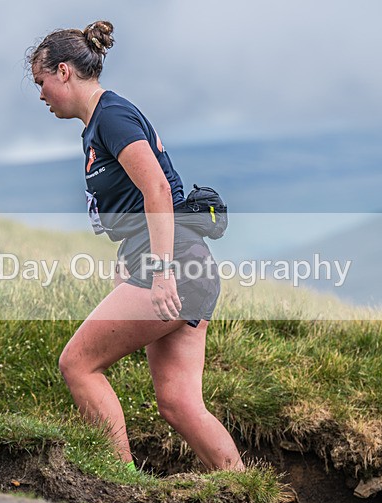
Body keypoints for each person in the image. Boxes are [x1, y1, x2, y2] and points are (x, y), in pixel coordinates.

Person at [27, 20, 244, 472]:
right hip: (189, 265)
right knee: (180, 404)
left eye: (41, 82)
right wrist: (130, 265)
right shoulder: (98, 124)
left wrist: (161, 272)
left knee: (78, 365)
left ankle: (123, 493)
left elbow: (159, 190)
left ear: (64, 71)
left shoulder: (111, 115)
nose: (41, 95)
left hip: (174, 265)